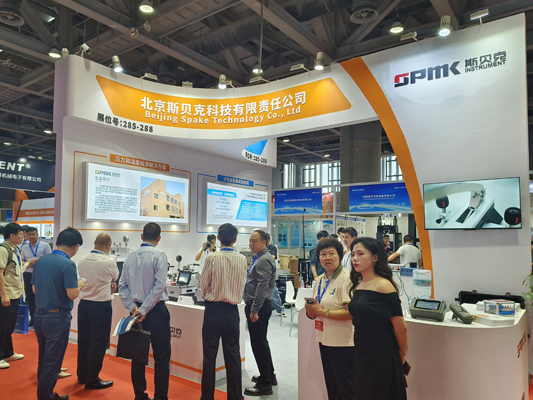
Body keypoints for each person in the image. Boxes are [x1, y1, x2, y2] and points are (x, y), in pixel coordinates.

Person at [349, 237, 408, 400]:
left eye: (360, 254)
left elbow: (401, 327)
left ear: (375, 257)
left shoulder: (384, 285)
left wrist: (402, 354)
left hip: (381, 352)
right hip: (361, 350)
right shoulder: (359, 284)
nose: (355, 258)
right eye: (353, 254)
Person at [32, 227, 86, 400]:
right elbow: (72, 294)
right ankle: (45, 397)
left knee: (43, 359)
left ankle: (45, 394)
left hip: (39, 315)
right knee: (52, 362)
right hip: (57, 318)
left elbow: (34, 289)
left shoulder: (41, 261)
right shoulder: (68, 264)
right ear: (75, 246)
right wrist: (79, 286)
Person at [119, 223, 170, 400]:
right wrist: (143, 309)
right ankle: (161, 397)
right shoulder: (160, 256)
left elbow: (122, 286)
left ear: (142, 236)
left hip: (135, 312)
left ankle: (139, 395)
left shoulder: (130, 256)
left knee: (138, 356)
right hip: (155, 312)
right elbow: (159, 286)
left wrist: (133, 307)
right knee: (161, 357)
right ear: (159, 238)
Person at [200, 223, 247, 400]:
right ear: (235, 240)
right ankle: (235, 397)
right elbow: (242, 283)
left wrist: (210, 296)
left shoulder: (212, 258)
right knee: (233, 355)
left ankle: (207, 397)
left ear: (218, 238)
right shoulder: (242, 259)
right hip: (232, 312)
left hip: (213, 310)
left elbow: (204, 285)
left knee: (209, 356)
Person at [304, 238, 355, 400]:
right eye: (323, 254)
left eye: (332, 254)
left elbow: (350, 313)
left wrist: (322, 312)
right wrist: (311, 312)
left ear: (340, 256)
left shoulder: (346, 279)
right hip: (324, 339)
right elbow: (316, 307)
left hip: (343, 342)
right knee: (332, 385)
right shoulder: (320, 279)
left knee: (346, 388)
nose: (327, 258)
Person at [77, 233, 118, 390]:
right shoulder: (109, 261)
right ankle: (92, 379)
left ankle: (82, 375)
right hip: (101, 306)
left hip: (84, 304)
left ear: (95, 243)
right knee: (98, 343)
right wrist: (110, 283)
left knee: (84, 341)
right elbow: (114, 276)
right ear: (108, 245)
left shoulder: (83, 259)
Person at [243, 230, 277, 396]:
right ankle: (269, 375)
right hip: (260, 305)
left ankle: (265, 384)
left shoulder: (263, 259)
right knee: (262, 342)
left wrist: (254, 310)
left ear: (265, 242)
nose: (251, 244)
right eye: (250, 241)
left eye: (254, 241)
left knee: (258, 344)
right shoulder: (260, 257)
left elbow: (262, 287)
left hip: (259, 307)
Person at [0, 223, 27, 370]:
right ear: (12, 235)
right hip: (7, 294)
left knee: (9, 326)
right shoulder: (3, 250)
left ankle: (8, 353)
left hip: (15, 293)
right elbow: (0, 273)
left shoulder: (15, 249)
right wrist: (4, 295)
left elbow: (16, 272)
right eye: (20, 234)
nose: (22, 237)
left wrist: (20, 290)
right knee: (2, 325)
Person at [20, 226, 52, 326]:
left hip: (41, 275)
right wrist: (26, 263)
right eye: (29, 235)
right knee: (30, 297)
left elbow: (50, 258)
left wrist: (38, 260)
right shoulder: (24, 247)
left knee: (41, 297)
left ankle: (42, 319)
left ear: (38, 235)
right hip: (28, 274)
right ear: (26, 236)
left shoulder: (45, 245)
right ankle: (33, 319)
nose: (32, 236)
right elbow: (22, 260)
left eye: (34, 234)